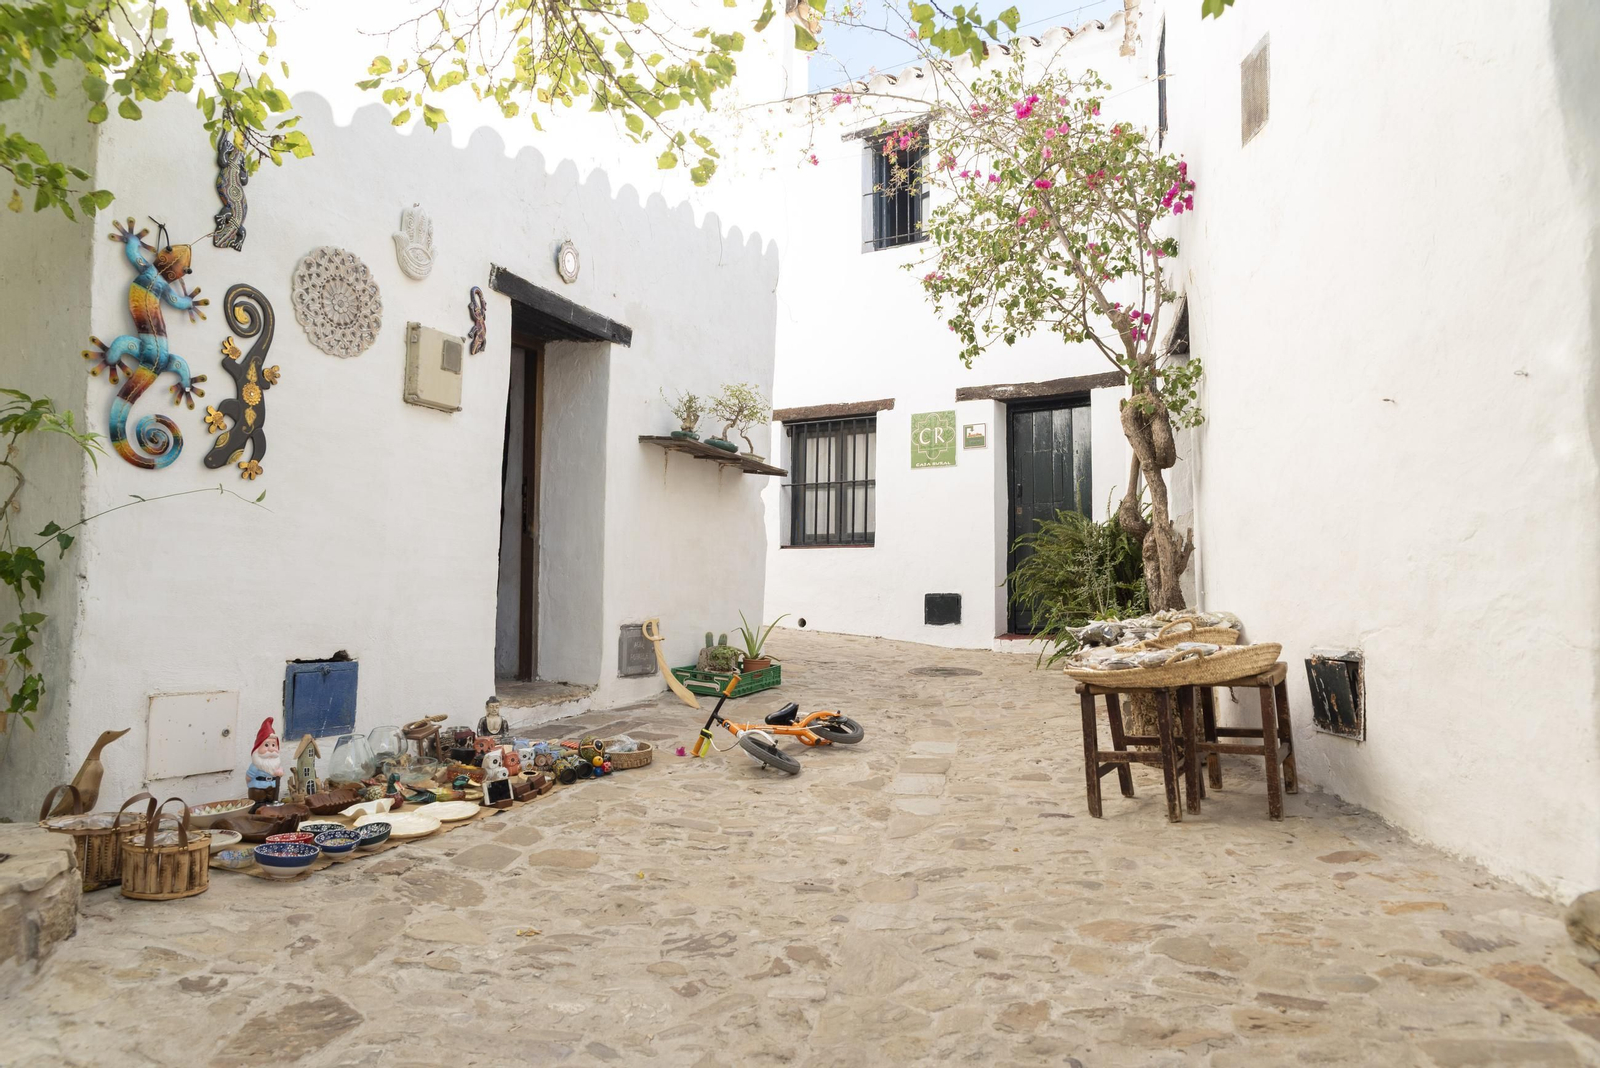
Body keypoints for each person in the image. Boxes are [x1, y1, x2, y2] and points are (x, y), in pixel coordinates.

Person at [246, 717, 286, 803]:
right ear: (257, 748)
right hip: (258, 789)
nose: (271, 749)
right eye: (266, 745)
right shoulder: (256, 765)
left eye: (273, 745)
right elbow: (248, 778)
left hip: (273, 788)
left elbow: (279, 771)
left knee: (272, 803)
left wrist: (280, 771)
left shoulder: (275, 763)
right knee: (258, 802)